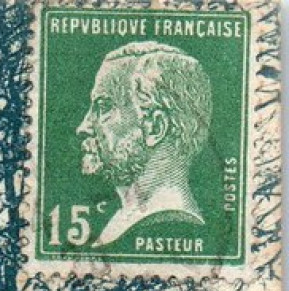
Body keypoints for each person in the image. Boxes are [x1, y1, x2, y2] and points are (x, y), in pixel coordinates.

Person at [76, 41, 213, 246]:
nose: (83, 127)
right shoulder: (123, 222)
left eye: (103, 107)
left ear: (155, 127)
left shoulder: (169, 225)